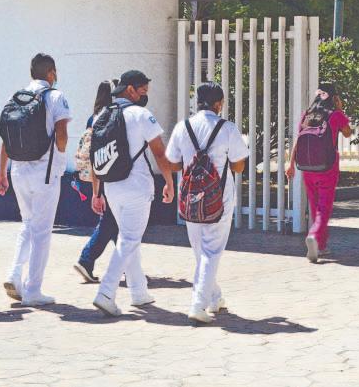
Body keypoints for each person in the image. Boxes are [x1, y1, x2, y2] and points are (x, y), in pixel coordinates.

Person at [92, 70, 176, 317]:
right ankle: (106, 293)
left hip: (111, 186)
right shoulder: (141, 115)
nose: (144, 96)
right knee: (129, 239)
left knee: (129, 238)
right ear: (130, 89)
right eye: (143, 91)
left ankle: (139, 291)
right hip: (136, 185)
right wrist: (169, 183)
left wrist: (97, 192)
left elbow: (94, 156)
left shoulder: (102, 116)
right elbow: (159, 152)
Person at [166, 82, 249, 324]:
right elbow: (239, 166)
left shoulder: (182, 127)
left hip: (191, 196)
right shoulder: (227, 128)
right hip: (219, 196)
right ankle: (198, 304)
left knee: (200, 250)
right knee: (211, 251)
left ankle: (215, 298)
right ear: (219, 104)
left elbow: (173, 163)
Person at [0, 53, 72, 306]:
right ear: (51, 73)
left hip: (18, 171)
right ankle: (33, 290)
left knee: (28, 224)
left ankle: (14, 274)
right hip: (45, 172)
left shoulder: (15, 98)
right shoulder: (55, 96)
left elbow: (6, 138)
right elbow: (62, 134)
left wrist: (2, 173)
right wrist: (60, 159)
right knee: (42, 232)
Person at [286, 83, 352, 263]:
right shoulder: (335, 115)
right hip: (328, 167)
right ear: (334, 97)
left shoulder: (307, 115)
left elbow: (298, 140)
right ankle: (314, 236)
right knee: (324, 207)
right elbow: (348, 133)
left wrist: (291, 164)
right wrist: (340, 109)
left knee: (315, 206)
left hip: (307, 168)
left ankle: (320, 247)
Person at [73, 80, 120, 283]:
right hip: (110, 177)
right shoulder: (111, 118)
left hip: (97, 177)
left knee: (115, 223)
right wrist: (97, 193)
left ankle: (126, 264)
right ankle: (86, 260)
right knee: (110, 222)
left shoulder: (93, 118)